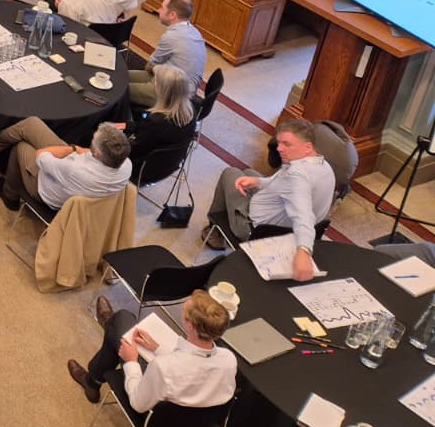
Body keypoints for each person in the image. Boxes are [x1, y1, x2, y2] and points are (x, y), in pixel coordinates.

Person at [205, 119, 334, 279]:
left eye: (287, 144)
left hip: (256, 230)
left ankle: (215, 234)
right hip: (286, 225)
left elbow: (304, 216)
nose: (279, 149)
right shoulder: (324, 166)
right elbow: (282, 183)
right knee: (249, 172)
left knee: (231, 173)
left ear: (307, 147)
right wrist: (259, 182)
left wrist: (304, 251)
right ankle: (216, 231)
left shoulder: (297, 176)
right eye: (279, 143)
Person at [67, 290, 236, 410]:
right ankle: (111, 328)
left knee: (123, 320)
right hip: (193, 418)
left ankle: (92, 381)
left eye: (184, 311)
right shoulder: (228, 359)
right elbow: (189, 366)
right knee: (120, 329)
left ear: (190, 326)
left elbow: (137, 403)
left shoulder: (163, 367)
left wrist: (131, 361)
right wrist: (157, 348)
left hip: (155, 414)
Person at [0, 119, 132, 211]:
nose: (91, 141)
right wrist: (76, 150)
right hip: (69, 167)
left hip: (45, 189)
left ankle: (10, 195)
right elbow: (87, 152)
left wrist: (72, 149)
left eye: (93, 140)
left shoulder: (74, 170)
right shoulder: (126, 165)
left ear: (98, 153)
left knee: (21, 146)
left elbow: (41, 156)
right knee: (32, 124)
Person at [129, 0, 207, 106]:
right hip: (182, 89)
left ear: (172, 15)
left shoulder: (172, 37)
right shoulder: (195, 32)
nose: (158, 10)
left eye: (162, 8)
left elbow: (150, 66)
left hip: (169, 95)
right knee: (121, 76)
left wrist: (154, 70)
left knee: (118, 88)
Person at [124, 64, 197, 174]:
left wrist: (114, 132)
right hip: (168, 164)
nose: (153, 85)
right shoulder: (190, 112)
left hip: (142, 168)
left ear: (163, 91)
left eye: (155, 83)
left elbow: (132, 148)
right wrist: (125, 125)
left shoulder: (156, 121)